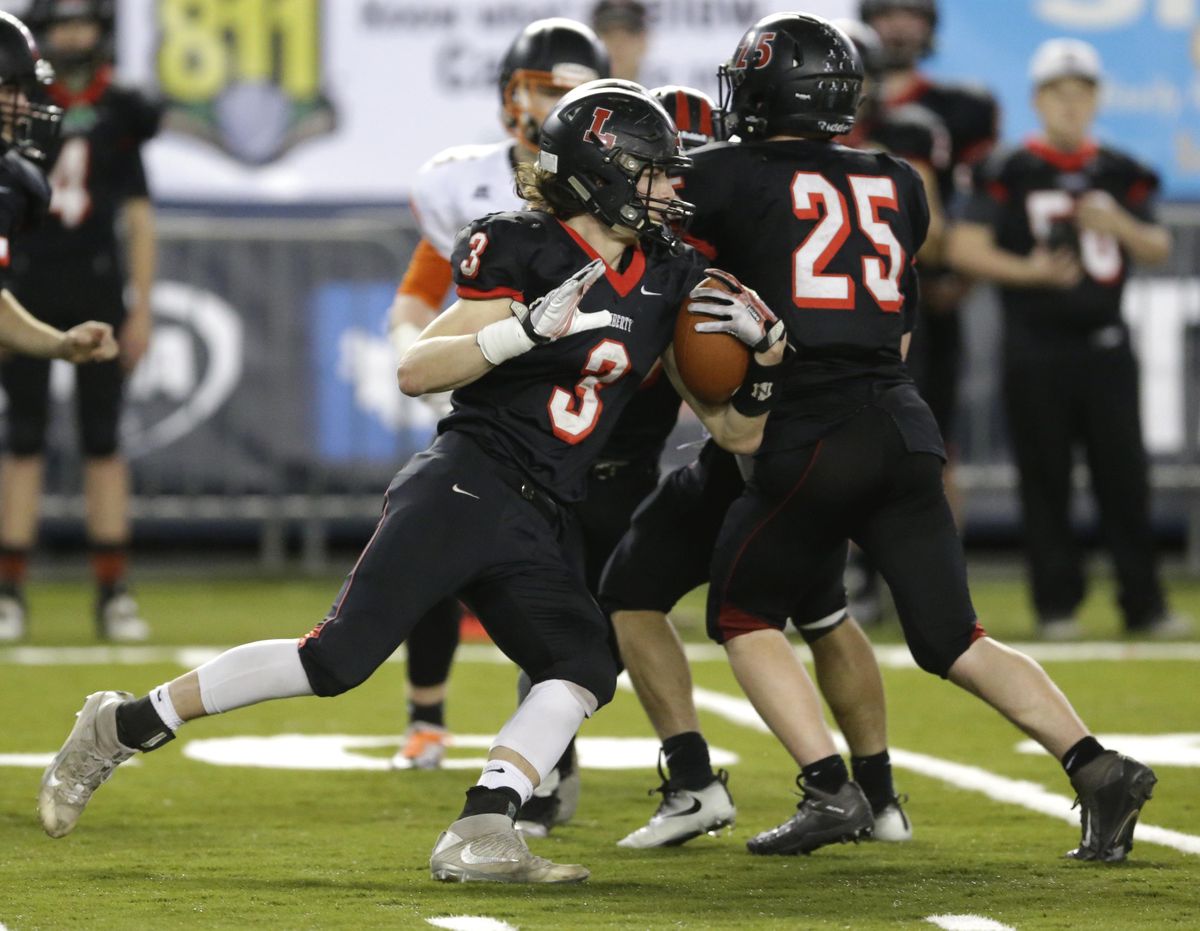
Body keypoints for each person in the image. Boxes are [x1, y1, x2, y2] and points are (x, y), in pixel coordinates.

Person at [38, 83, 788, 885]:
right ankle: (119, 725)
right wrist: (521, 330)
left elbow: (738, 432)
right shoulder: (518, 246)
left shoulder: (669, 274)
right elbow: (415, 367)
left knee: (580, 663)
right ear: (603, 175)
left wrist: (767, 362)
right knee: (335, 662)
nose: (674, 191)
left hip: (545, 508)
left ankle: (483, 825)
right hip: (468, 483)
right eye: (655, 174)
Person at [636, 12, 1154, 863]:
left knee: (739, 611)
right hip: (904, 420)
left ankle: (827, 787)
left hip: (811, 429)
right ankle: (1097, 766)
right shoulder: (898, 177)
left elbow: (677, 272)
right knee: (955, 638)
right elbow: (900, 319)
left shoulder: (722, 175)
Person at [601, 66, 944, 849]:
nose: (662, 184)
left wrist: (726, 410)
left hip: (780, 443)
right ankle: (875, 795)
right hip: (822, 431)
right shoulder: (858, 191)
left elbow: (679, 328)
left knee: (692, 600)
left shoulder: (719, 189)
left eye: (665, 168)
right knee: (813, 610)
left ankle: (801, 785)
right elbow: (896, 333)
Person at [386, 19, 609, 805]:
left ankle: (547, 746)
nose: (550, 102)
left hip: (568, 409)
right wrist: (435, 358)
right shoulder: (467, 183)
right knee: (433, 554)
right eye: (540, 86)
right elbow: (417, 298)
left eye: (568, 89)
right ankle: (427, 714)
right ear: (509, 92)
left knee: (556, 581)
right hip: (488, 392)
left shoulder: (614, 192)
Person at [945, 39, 1187, 641]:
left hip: (1106, 344)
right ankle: (1056, 605)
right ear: (1038, 99)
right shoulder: (1009, 169)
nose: (1070, 105)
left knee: (1124, 478)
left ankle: (1145, 603)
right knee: (1044, 479)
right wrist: (1033, 272)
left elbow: (1157, 246)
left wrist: (1119, 224)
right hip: (1036, 345)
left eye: (1081, 93)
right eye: (1059, 93)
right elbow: (964, 246)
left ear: (1097, 99)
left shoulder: (1121, 171)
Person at [0, 0, 159, 643]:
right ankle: (10, 589)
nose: (26, 109)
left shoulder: (116, 114)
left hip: (86, 286)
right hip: (30, 283)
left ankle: (112, 589)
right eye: (11, 91)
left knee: (101, 439)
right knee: (25, 440)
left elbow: (139, 214)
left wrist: (70, 338)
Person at [850, 0, 999, 622]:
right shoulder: (839, 133)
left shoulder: (923, 123)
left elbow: (954, 221)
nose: (902, 24)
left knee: (930, 447)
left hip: (913, 303)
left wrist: (960, 268)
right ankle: (850, 582)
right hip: (839, 303)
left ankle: (935, 587)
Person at [590, 0, 648, 82]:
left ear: (643, 41)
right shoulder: (575, 92)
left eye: (629, 33)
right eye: (608, 34)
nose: (618, 44)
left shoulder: (666, 92)